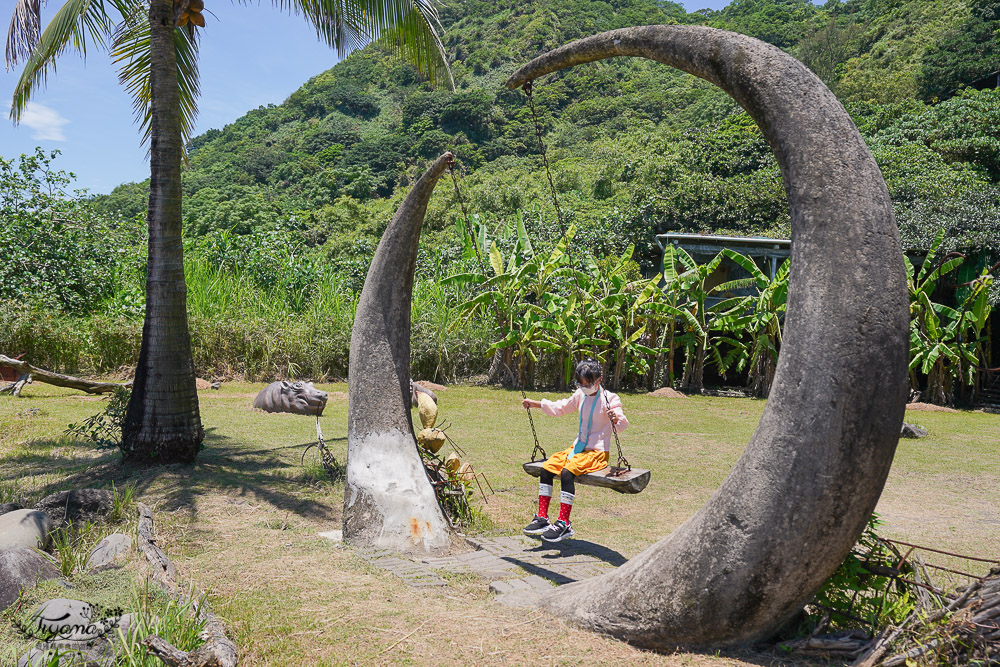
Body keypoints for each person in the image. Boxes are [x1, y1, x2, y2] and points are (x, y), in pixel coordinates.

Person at [520, 359, 629, 542]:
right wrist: (536, 404)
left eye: (588, 383)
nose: (584, 386)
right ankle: (542, 518)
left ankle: (564, 523)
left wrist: (615, 418)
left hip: (597, 452)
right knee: (548, 467)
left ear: (599, 380)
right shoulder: (580, 396)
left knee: (567, 472)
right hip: (578, 448)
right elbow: (561, 407)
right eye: (581, 383)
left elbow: (622, 424)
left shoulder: (610, 399)